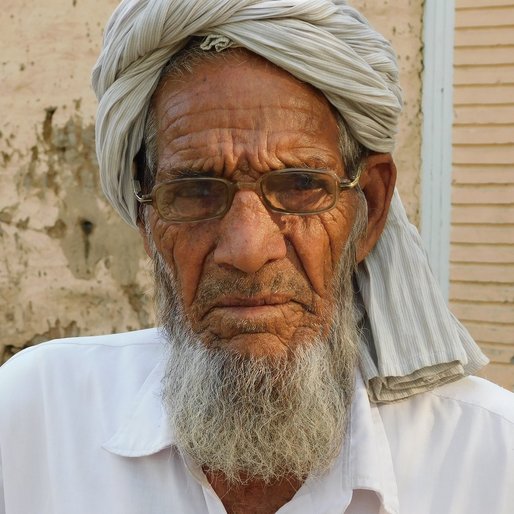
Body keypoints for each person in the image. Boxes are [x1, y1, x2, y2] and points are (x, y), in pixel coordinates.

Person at [1, 1, 513, 513]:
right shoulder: (35, 420)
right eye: (197, 192)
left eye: (300, 186)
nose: (248, 250)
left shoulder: (489, 458)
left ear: (369, 210)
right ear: (147, 221)